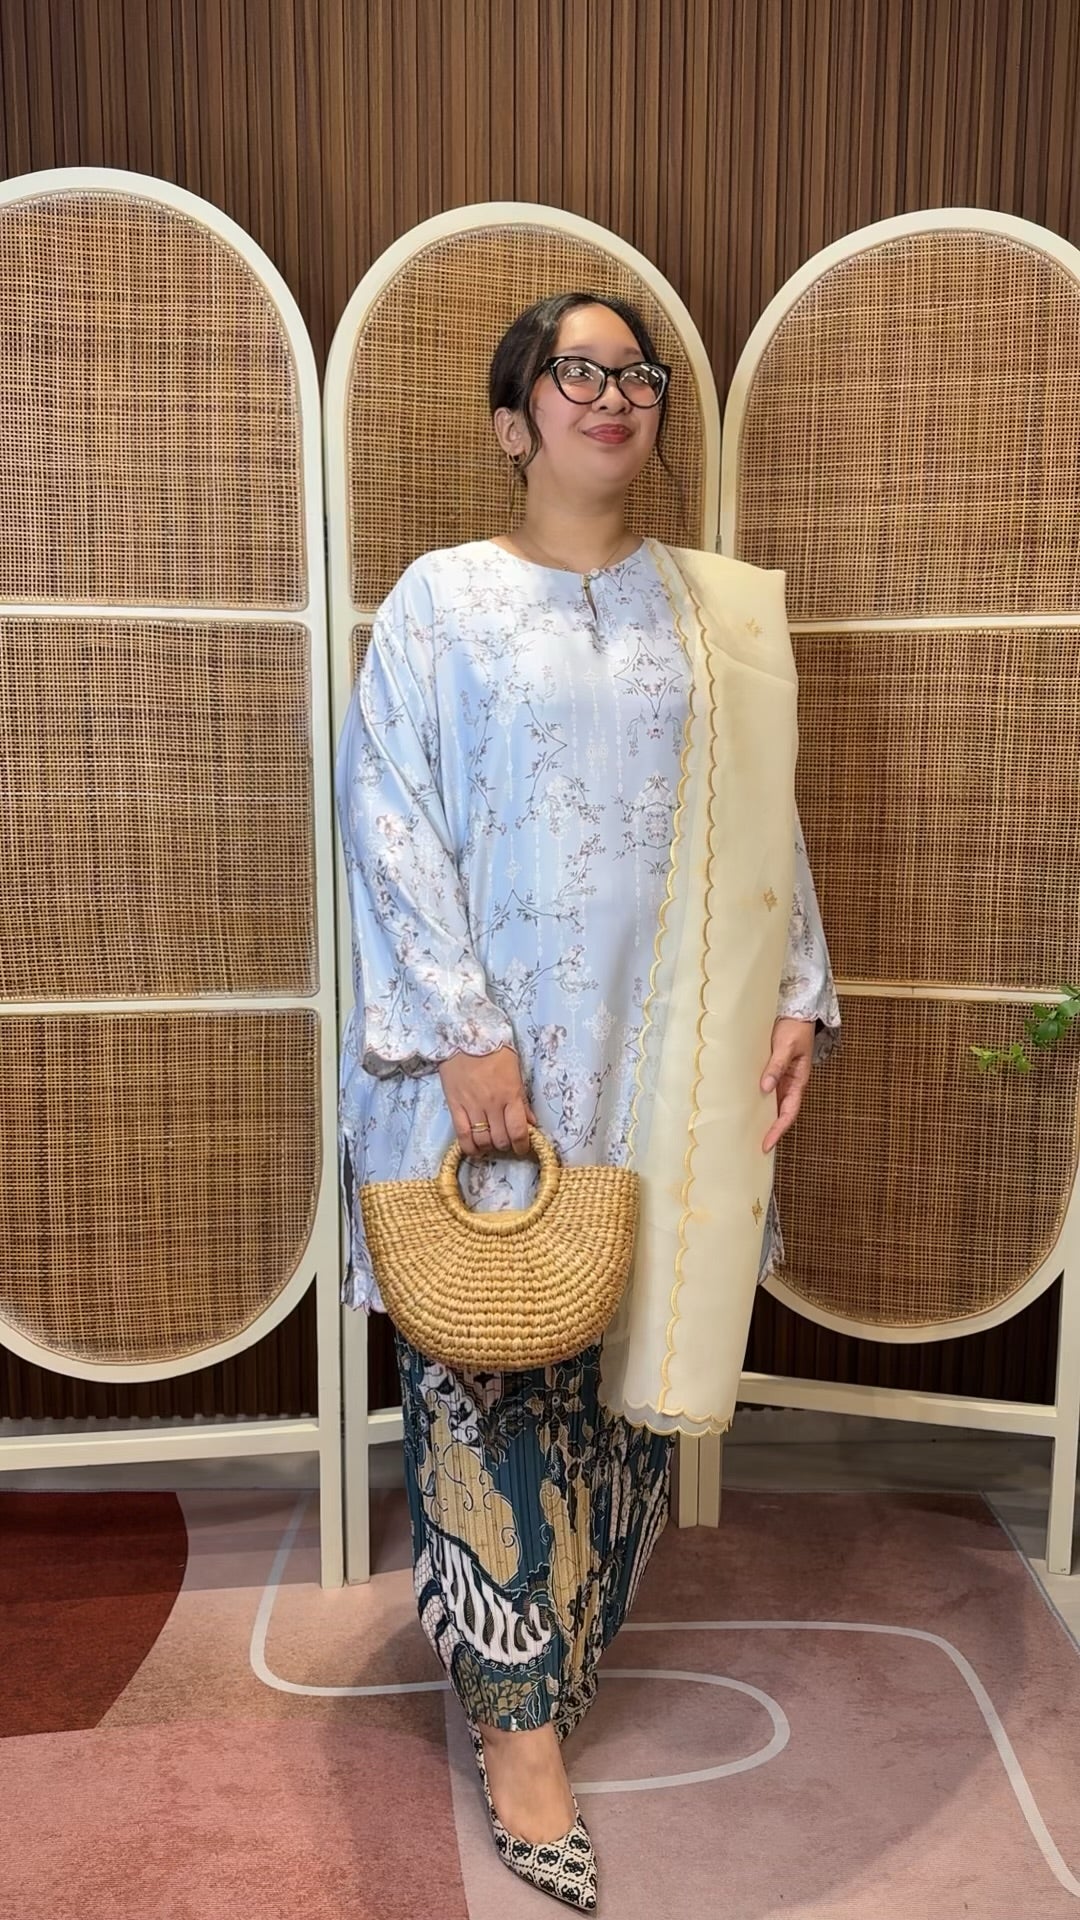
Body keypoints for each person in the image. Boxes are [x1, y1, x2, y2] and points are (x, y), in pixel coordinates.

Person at [335, 291, 839, 1910]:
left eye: (636, 373)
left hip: (668, 1051)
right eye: (576, 372)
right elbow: (388, 812)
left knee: (624, 1379)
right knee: (488, 1376)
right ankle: (518, 1728)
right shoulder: (444, 601)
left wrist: (796, 993)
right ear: (516, 422)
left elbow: (764, 817)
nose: (613, 394)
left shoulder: (709, 616)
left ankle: (554, 1652)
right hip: (495, 1061)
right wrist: (461, 1032)